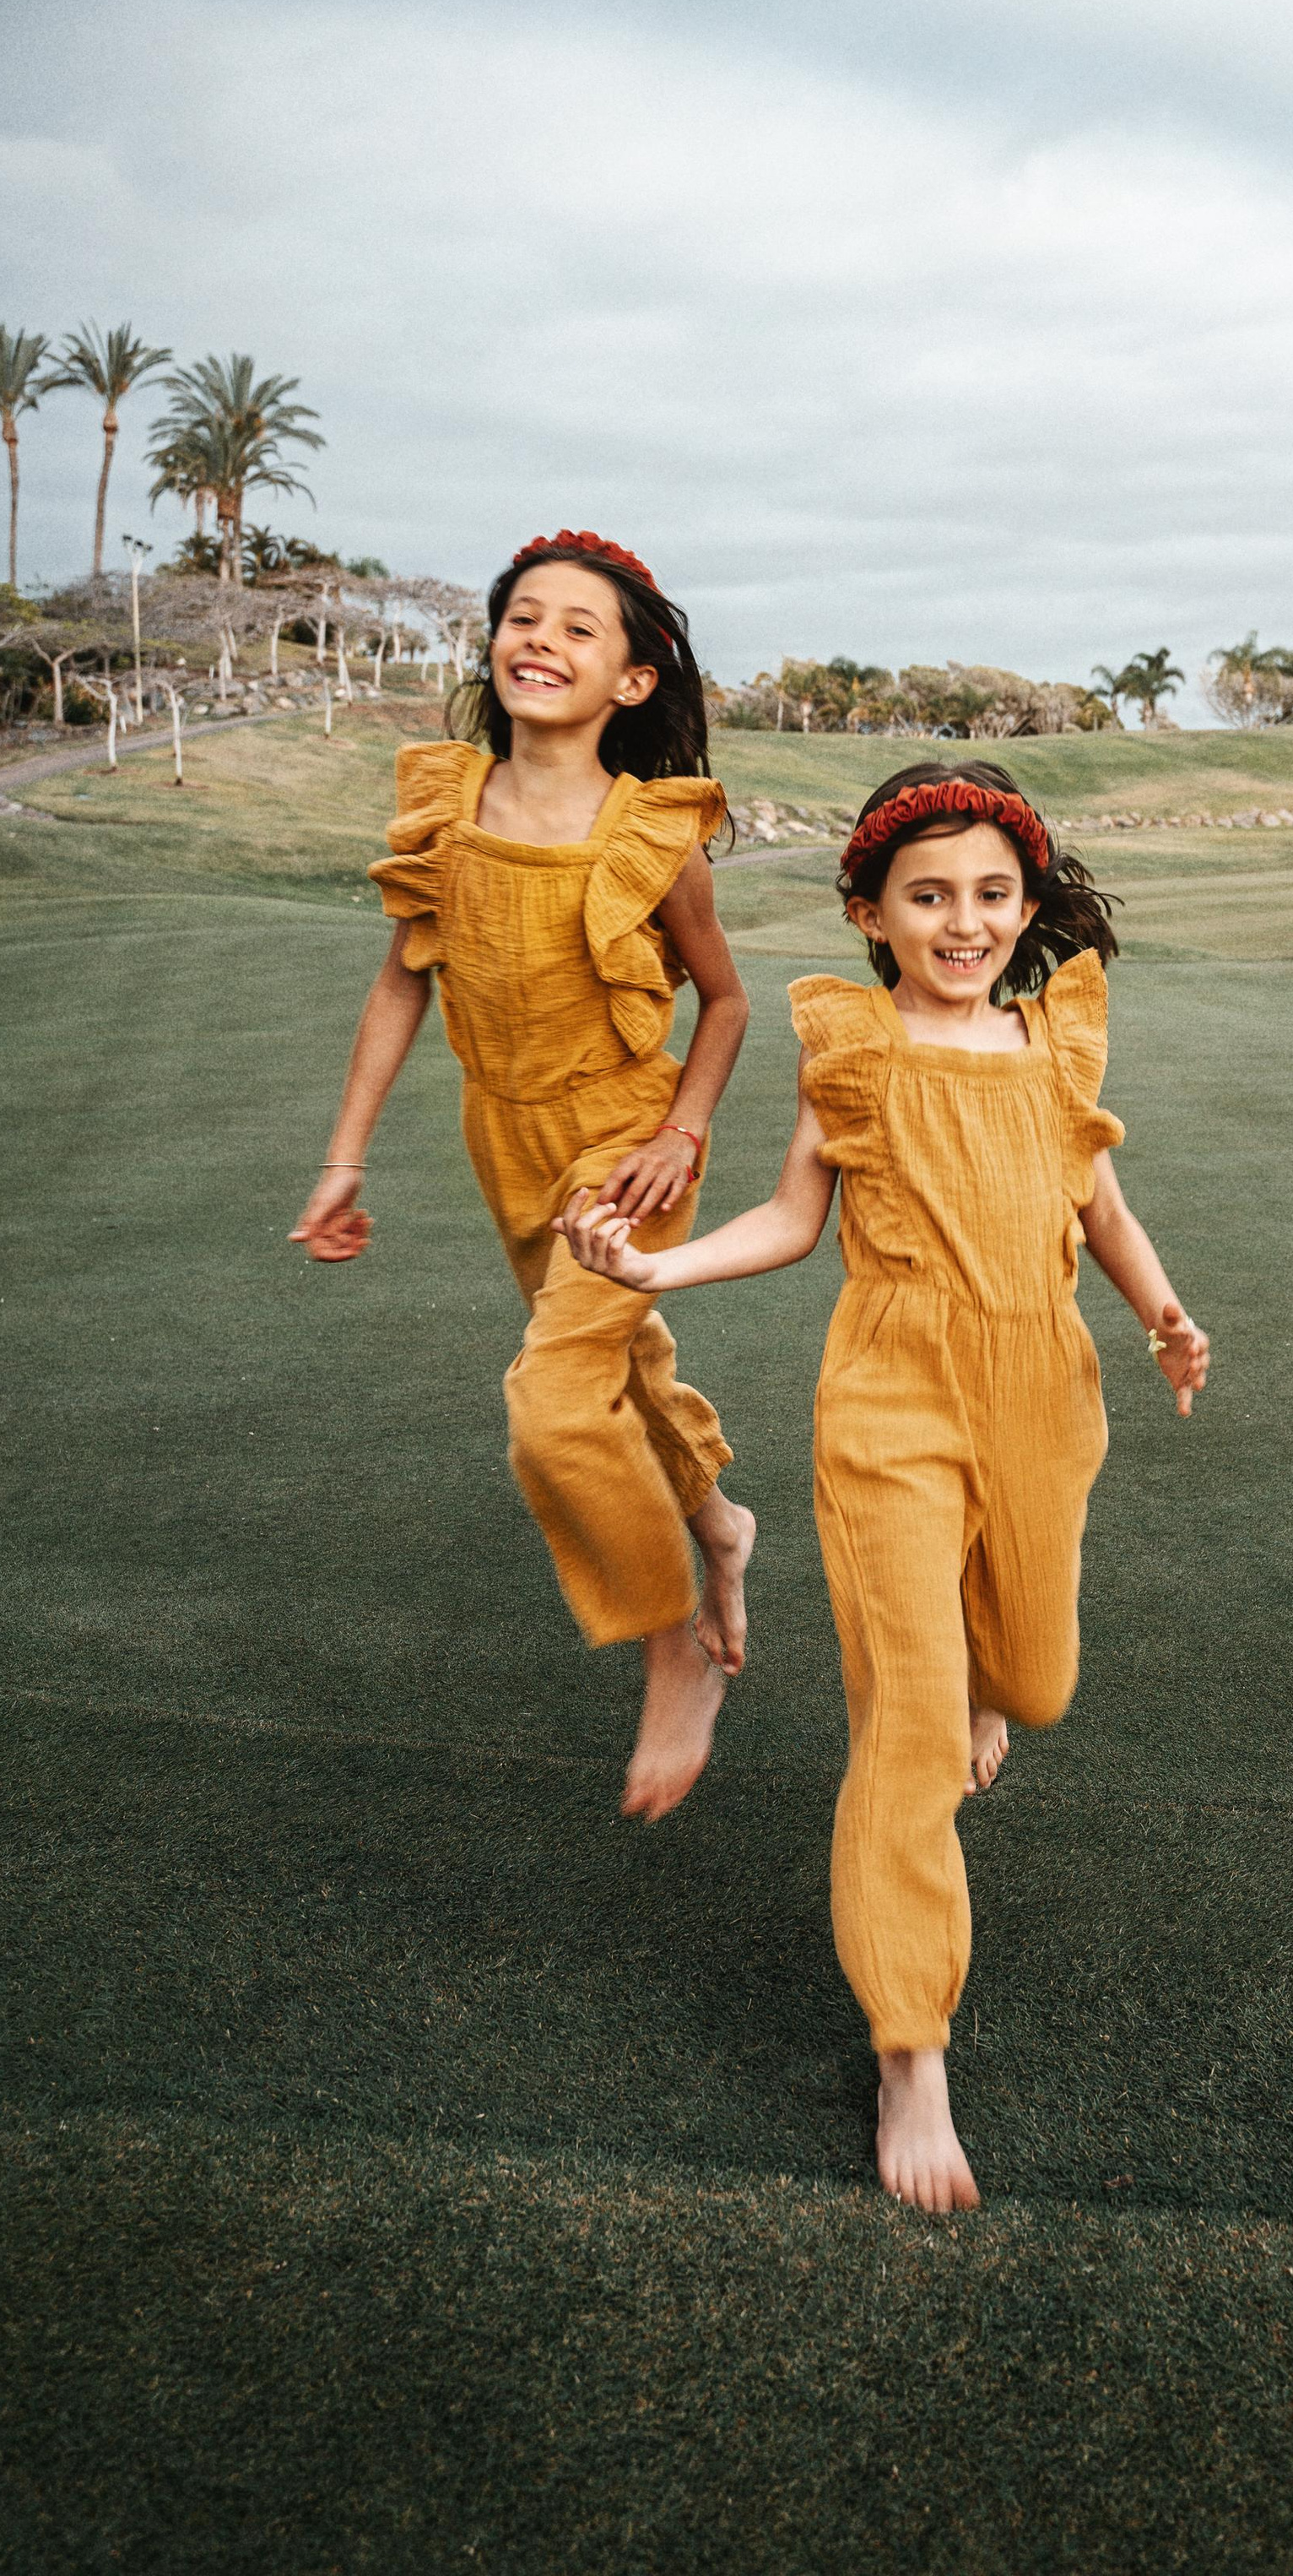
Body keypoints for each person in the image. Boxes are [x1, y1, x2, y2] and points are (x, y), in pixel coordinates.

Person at [558, 760, 1209, 2208]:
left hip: (1045, 1392)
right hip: (891, 1401)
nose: (963, 922)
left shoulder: (1055, 1045)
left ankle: (988, 1683)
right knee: (906, 1730)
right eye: (930, 897)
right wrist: (659, 1266)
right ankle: (912, 2047)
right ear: (873, 911)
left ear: (1025, 904)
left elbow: (1097, 1198)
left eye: (990, 895)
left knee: (1031, 1684)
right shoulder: (849, 1047)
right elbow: (797, 1215)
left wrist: (1162, 1311)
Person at [290, 529, 757, 1823]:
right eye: (523, 618)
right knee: (621, 1368)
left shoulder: (651, 835)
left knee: (555, 1405)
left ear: (634, 682)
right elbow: (402, 980)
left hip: (625, 1144)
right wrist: (344, 1161)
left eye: (578, 628)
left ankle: (672, 1645)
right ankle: (721, 1528)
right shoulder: (445, 806)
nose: (539, 640)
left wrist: (683, 1132)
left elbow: (724, 1003)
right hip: (502, 1138)